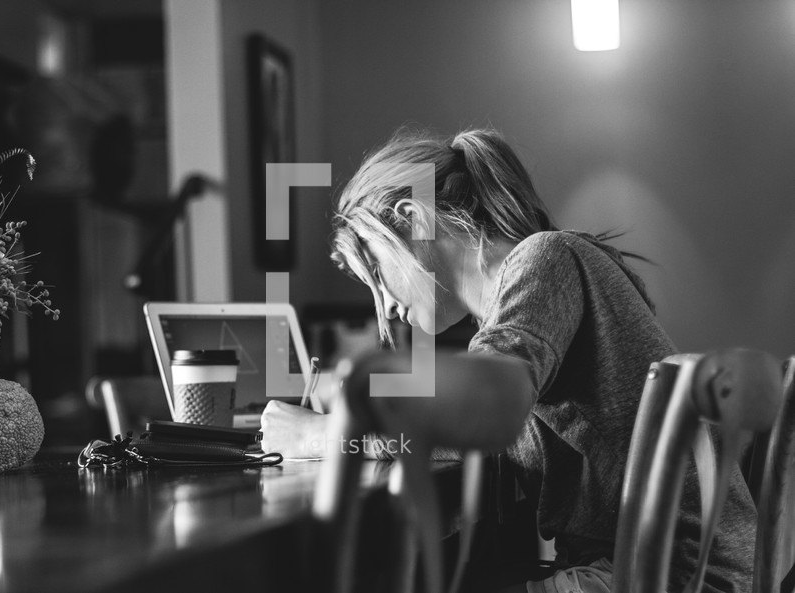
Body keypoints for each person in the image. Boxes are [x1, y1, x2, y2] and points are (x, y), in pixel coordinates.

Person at [259, 127, 756, 593]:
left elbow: (483, 413)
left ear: (416, 217)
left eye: (377, 273)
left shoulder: (545, 259)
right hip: (662, 569)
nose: (385, 306)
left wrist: (315, 435)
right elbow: (458, 439)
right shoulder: (521, 307)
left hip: (668, 576)